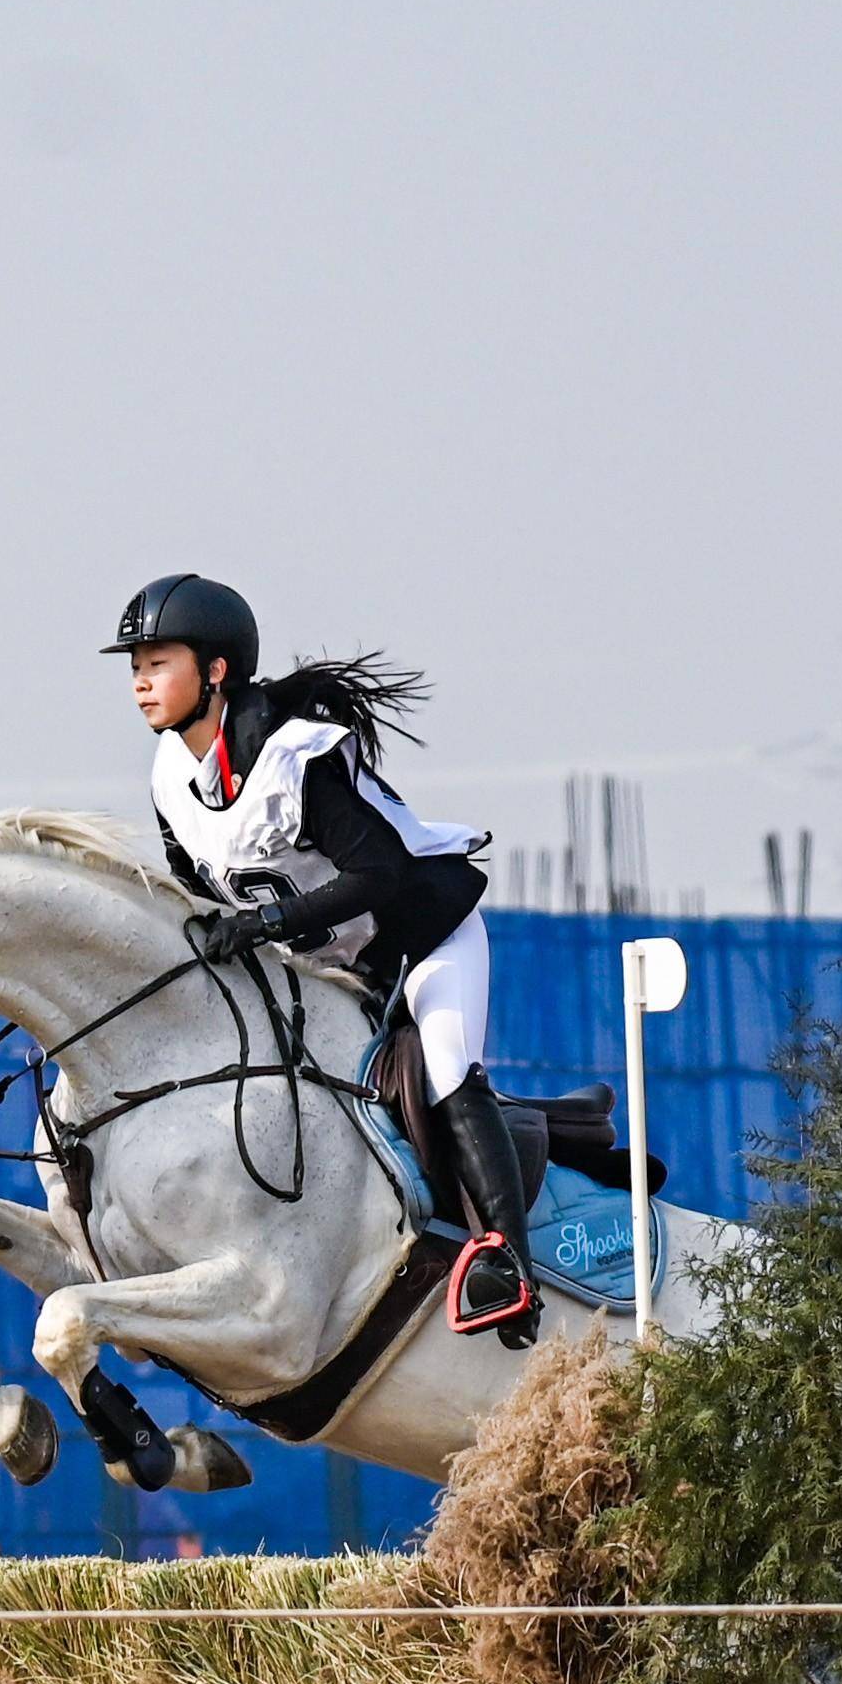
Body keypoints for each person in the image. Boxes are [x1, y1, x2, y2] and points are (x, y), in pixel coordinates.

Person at [103, 572, 535, 1340]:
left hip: (424, 938)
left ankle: (509, 1265)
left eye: (157, 662)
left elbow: (380, 873)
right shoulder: (170, 777)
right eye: (133, 665)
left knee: (442, 1071)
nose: (139, 681)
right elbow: (189, 883)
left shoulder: (298, 756)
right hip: (332, 968)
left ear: (215, 671)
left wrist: (264, 920)